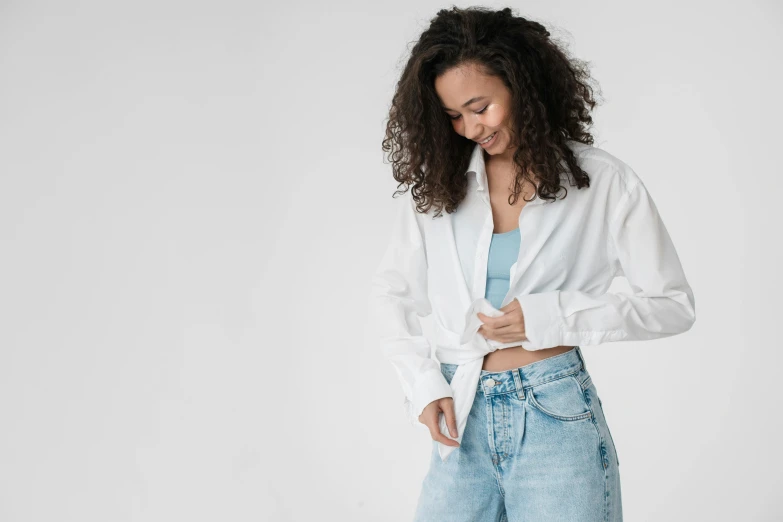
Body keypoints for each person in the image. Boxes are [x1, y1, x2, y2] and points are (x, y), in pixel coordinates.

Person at [369, 6, 696, 522]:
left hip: (556, 418)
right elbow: (392, 294)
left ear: (521, 83)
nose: (470, 127)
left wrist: (552, 315)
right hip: (462, 413)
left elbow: (672, 304)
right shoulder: (439, 189)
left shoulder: (603, 182)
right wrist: (423, 385)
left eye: (481, 107)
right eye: (454, 115)